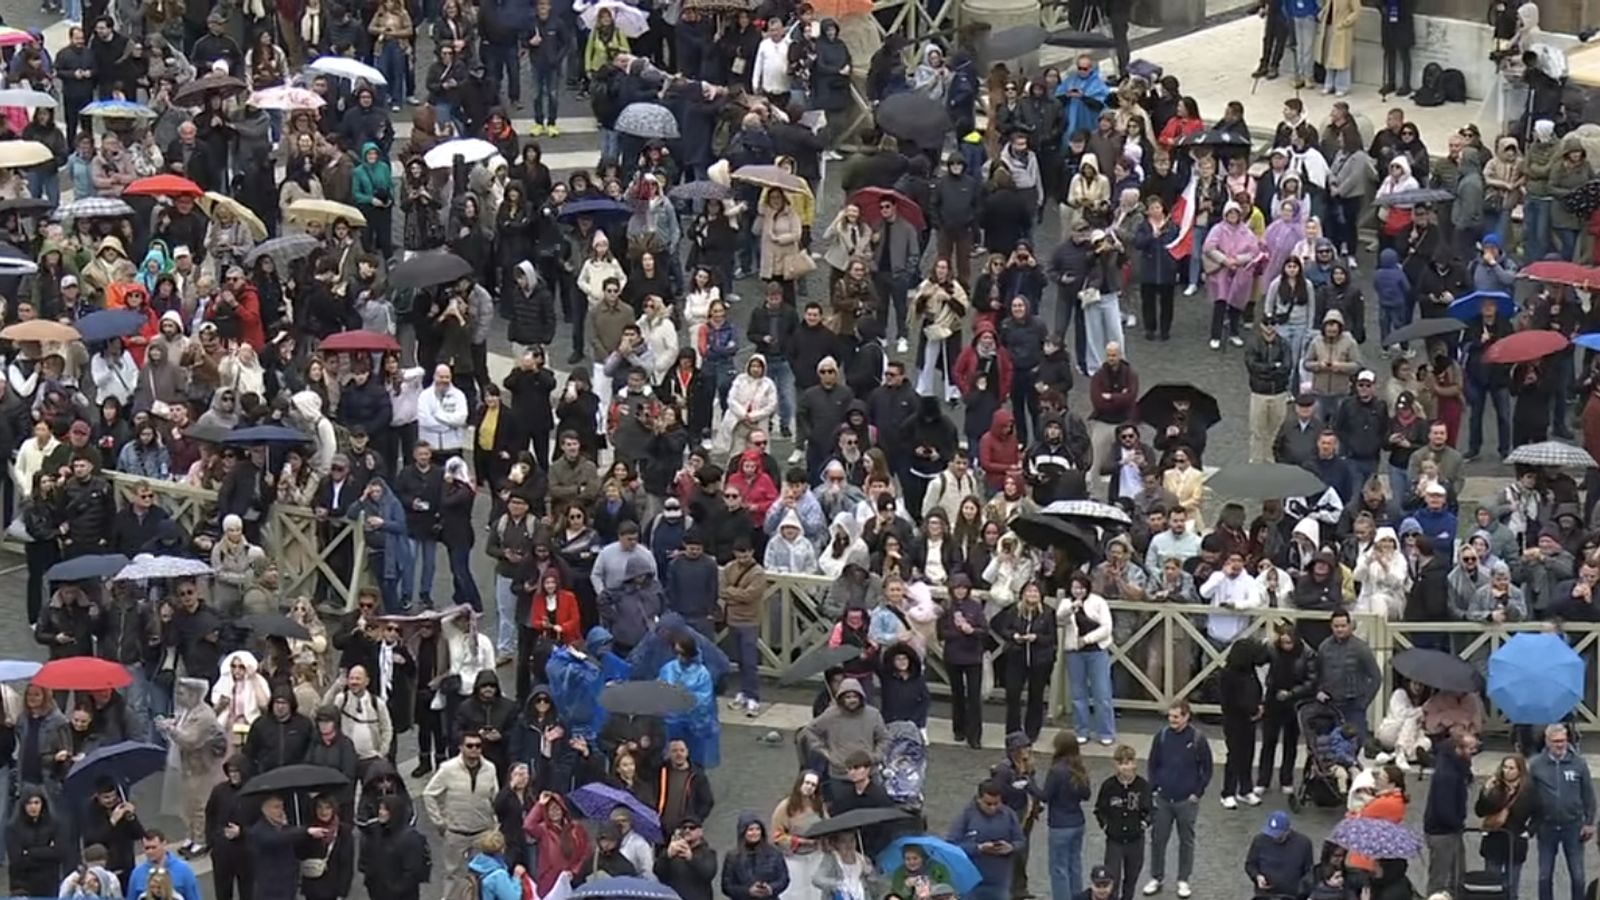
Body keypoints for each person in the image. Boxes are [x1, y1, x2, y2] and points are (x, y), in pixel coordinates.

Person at [1143, 700, 1212, 899]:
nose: (1172, 720)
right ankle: (1156, 877)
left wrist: (1197, 793)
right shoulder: (1162, 736)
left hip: (1186, 801)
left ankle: (1183, 880)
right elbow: (1153, 763)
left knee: (1186, 842)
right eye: (1170, 716)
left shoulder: (1197, 739)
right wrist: (1154, 788)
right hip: (1163, 798)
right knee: (1158, 840)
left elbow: (1207, 769)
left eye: (1176, 717)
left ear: (1186, 716)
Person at [422, 730, 500, 888]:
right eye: (469, 745)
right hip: (456, 833)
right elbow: (429, 794)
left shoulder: (490, 768)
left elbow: (495, 798)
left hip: (483, 833)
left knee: (483, 877)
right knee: (453, 876)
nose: (474, 749)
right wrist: (439, 822)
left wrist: (496, 825)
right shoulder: (447, 769)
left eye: (478, 746)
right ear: (461, 747)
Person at [1529, 723, 1594, 900]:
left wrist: (1589, 822)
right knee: (1544, 876)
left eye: (1563, 741)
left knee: (1578, 876)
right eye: (1555, 741)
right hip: (1547, 826)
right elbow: (1529, 795)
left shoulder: (1579, 763)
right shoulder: (1536, 765)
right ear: (1547, 741)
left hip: (1573, 826)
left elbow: (1588, 794)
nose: (1560, 745)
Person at [947, 780, 1025, 900]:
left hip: (1000, 881)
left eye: (996, 803)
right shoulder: (967, 816)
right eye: (988, 804)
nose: (992, 808)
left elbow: (1020, 841)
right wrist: (978, 848)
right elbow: (951, 846)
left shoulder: (1009, 815)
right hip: (971, 882)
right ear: (979, 799)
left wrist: (1011, 847)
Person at [1424, 728, 1479, 898]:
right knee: (1442, 878)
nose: (1474, 753)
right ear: (1458, 749)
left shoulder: (1452, 765)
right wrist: (1457, 824)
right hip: (1443, 831)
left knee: (1455, 875)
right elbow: (1444, 808)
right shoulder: (1448, 774)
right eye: (1470, 749)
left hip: (1448, 829)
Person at [1478, 754, 1536, 900]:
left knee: (1511, 887)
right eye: (1504, 767)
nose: (1507, 771)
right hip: (1494, 838)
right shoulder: (1495, 787)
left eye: (1511, 768)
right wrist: (1485, 791)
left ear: (1520, 770)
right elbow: (1480, 811)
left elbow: (1539, 813)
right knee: (1492, 886)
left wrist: (1529, 831)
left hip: (1515, 840)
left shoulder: (1528, 790)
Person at [1096, 744, 1151, 900]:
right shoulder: (1109, 786)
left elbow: (1150, 810)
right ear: (1116, 765)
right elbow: (1100, 809)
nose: (1125, 767)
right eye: (1121, 763)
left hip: (1135, 840)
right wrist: (1105, 825)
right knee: (1112, 878)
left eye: (1128, 763)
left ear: (1134, 763)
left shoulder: (1142, 786)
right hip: (1115, 841)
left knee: (1131, 878)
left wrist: (1144, 824)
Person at [1043, 731, 1093, 900]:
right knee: (1075, 865)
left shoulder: (1056, 771)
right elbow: (1086, 795)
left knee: (1059, 869)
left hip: (1059, 824)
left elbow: (1045, 796)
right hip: (1078, 822)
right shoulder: (1079, 769)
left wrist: (1029, 785)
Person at [1243, 811, 1314, 898]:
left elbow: (1309, 872)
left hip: (1292, 895)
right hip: (1265, 894)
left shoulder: (1303, 843)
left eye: (1278, 835)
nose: (1274, 837)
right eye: (1271, 834)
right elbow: (1250, 864)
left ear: (1287, 831)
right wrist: (1257, 876)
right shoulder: (1259, 840)